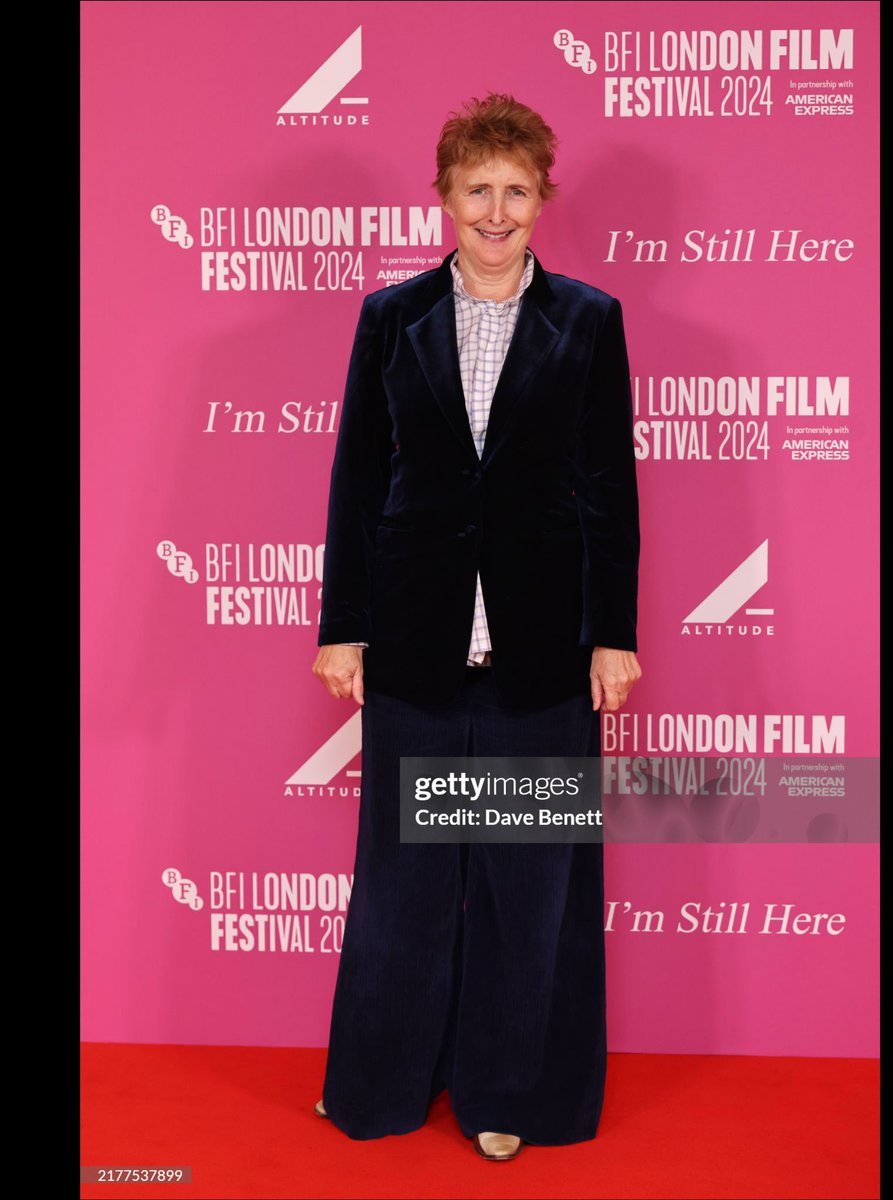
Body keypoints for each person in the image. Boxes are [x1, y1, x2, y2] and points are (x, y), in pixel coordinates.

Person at [311, 93, 641, 1161]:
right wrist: (343, 626)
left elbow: (608, 490)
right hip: (415, 643)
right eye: (475, 191)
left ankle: (510, 1095)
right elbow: (360, 480)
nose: (495, 212)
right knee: (404, 883)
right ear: (445, 198)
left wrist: (613, 633)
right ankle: (379, 1087)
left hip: (541, 652)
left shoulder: (589, 320)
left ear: (542, 198)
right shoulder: (389, 318)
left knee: (523, 883)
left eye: (514, 190)